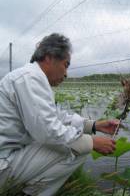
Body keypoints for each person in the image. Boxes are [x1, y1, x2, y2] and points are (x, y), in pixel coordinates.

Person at [0, 33, 119, 196]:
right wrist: (91, 142)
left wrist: (94, 125)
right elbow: (47, 131)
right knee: (80, 147)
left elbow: (57, 117)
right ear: (49, 57)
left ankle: (25, 190)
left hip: (9, 157)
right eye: (66, 65)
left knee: (78, 142)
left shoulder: (32, 78)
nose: (66, 74)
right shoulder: (30, 78)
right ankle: (29, 192)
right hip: (3, 165)